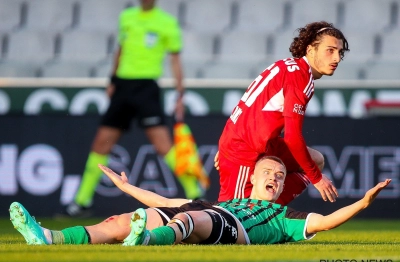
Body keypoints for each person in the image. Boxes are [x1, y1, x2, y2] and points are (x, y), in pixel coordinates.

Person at [10, 157, 391, 246]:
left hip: (231, 228)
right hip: (216, 211)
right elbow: (165, 198)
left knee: (192, 223)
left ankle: (145, 240)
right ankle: (49, 237)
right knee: (123, 218)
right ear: (253, 178)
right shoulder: (224, 199)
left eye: (280, 176)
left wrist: (362, 204)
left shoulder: (285, 216)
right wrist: (128, 189)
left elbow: (324, 222)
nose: (275, 178)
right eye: (269, 173)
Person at [63, 0, 204, 217]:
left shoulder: (166, 23)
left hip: (147, 88)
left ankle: (195, 194)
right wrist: (112, 80)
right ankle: (82, 202)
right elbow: (120, 49)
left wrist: (180, 92)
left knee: (163, 145)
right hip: (123, 87)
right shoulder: (127, 18)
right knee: (101, 143)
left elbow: (175, 59)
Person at [215, 21, 350, 205]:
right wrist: (318, 180)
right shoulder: (300, 78)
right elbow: (292, 138)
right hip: (243, 150)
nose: (336, 58)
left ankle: (267, 211)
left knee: (315, 160)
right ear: (310, 50)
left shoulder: (287, 66)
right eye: (330, 50)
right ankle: (175, 213)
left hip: (256, 143)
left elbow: (251, 107)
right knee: (229, 219)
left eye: (340, 53)